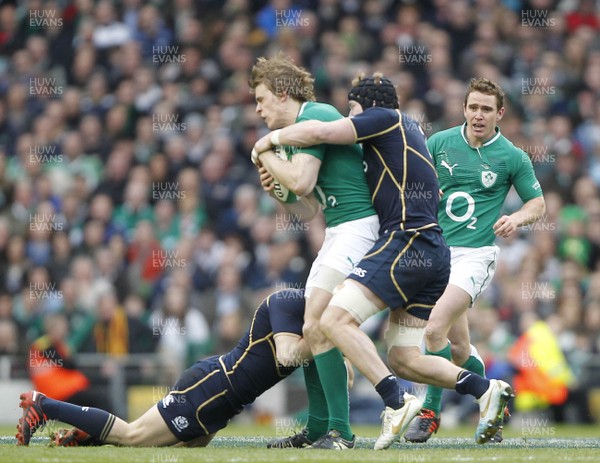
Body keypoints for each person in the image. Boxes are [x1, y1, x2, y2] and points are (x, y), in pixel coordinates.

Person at [253, 73, 515, 448]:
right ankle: (485, 389)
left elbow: (322, 132)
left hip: (408, 239)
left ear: (367, 108)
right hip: (433, 250)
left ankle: (395, 400)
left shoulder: (387, 118)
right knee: (405, 358)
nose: (350, 118)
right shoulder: (400, 136)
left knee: (333, 320)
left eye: (353, 111)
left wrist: (268, 141)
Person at [400, 77, 546, 443]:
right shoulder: (439, 142)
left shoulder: (511, 156)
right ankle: (492, 402)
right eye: (473, 107)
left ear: (500, 113)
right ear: (463, 109)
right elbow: (414, 187)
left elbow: (537, 203)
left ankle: (431, 412)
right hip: (435, 254)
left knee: (432, 330)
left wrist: (516, 218)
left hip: (475, 256)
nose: (478, 115)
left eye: (486, 109)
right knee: (460, 348)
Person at [248, 53, 379, 449]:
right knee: (312, 325)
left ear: (283, 93)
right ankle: (320, 427)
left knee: (317, 325)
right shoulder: (295, 135)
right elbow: (307, 207)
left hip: (360, 227)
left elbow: (303, 182)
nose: (257, 108)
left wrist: (264, 150)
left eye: (261, 99)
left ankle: (339, 430)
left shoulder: (315, 114)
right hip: (339, 230)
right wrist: (276, 191)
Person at [16, 288, 311, 448]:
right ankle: (45, 406)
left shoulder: (310, 321)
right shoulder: (290, 303)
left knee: (172, 447)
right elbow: (287, 357)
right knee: (133, 435)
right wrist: (326, 339)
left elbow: (342, 374)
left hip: (221, 401)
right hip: (210, 389)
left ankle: (93, 435)